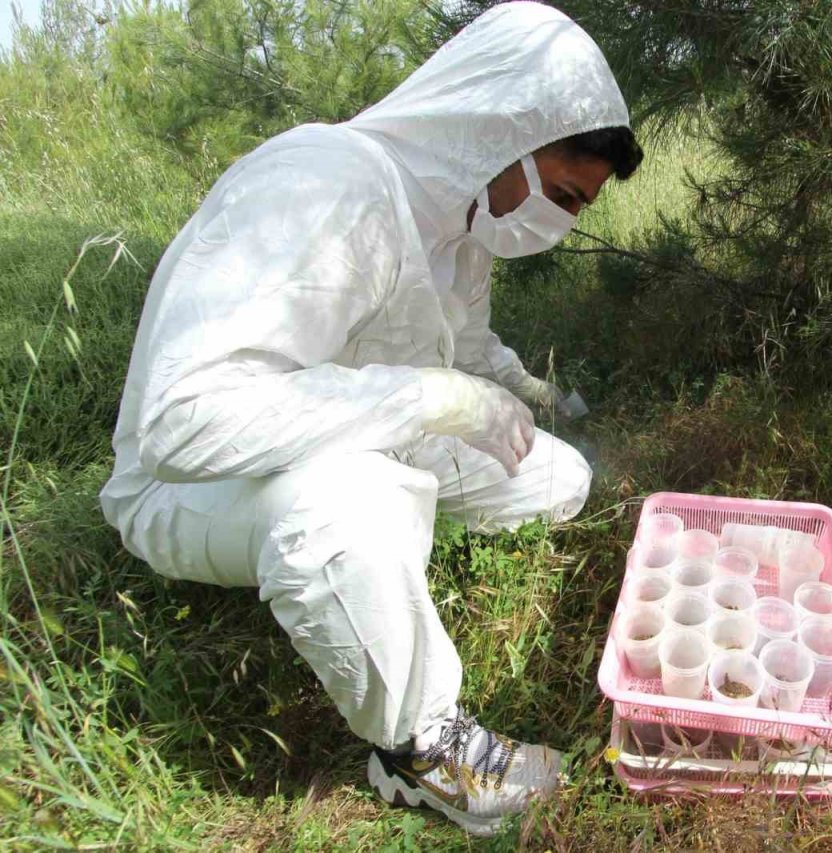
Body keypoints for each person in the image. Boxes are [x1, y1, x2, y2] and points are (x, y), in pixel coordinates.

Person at [98, 2, 641, 837]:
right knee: (348, 501)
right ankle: (423, 750)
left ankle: (391, 536)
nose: (560, 225)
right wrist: (431, 400)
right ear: (503, 134)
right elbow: (183, 421)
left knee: (555, 473)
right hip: (197, 483)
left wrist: (523, 391)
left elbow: (466, 344)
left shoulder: (460, 225)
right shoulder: (323, 184)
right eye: (562, 195)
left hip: (359, 430)